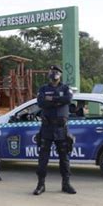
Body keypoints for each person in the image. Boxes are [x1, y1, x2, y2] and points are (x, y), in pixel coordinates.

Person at [33, 65, 76, 195]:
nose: (54, 74)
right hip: (47, 128)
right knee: (43, 158)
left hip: (61, 128)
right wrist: (58, 100)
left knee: (64, 158)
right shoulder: (43, 89)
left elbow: (68, 99)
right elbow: (41, 102)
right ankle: (41, 185)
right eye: (52, 72)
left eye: (56, 72)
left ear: (60, 74)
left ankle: (66, 184)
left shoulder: (66, 88)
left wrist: (51, 99)